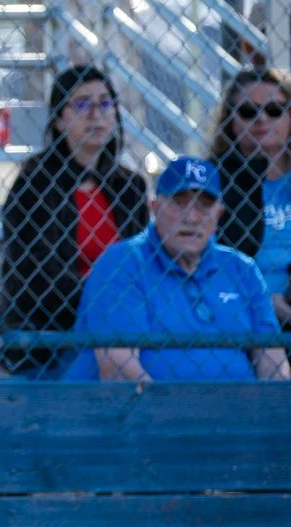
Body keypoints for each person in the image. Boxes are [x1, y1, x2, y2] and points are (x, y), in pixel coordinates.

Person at [67, 156, 289, 382]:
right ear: (155, 207)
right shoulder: (123, 263)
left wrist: (270, 411)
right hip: (150, 413)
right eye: (179, 202)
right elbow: (118, 369)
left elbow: (273, 360)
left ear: (219, 213)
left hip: (241, 413)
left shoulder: (242, 269)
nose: (191, 217)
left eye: (204, 204)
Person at [0, 65, 150, 378]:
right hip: (51, 331)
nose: (96, 114)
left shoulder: (130, 187)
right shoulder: (34, 185)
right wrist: (102, 305)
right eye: (82, 104)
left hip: (119, 323)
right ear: (58, 119)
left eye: (105, 103)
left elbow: (141, 262)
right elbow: (38, 276)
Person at [210, 67, 291, 329]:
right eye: (248, 111)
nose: (261, 120)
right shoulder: (213, 180)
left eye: (274, 110)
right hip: (237, 311)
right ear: (231, 121)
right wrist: (265, 301)